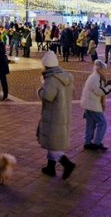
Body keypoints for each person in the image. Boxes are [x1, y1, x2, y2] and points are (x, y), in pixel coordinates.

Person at [37, 51, 77, 179]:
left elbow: (48, 96)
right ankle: (50, 167)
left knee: (53, 143)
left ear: (47, 66)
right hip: (63, 112)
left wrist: (40, 89)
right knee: (52, 140)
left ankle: (67, 164)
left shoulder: (52, 79)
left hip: (53, 114)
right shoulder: (64, 76)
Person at [81, 59, 111, 150]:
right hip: (93, 104)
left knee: (90, 124)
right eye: (104, 69)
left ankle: (87, 142)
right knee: (102, 123)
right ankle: (97, 143)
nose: (106, 71)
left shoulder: (95, 76)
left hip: (89, 103)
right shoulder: (95, 77)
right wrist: (110, 86)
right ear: (99, 69)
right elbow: (99, 91)